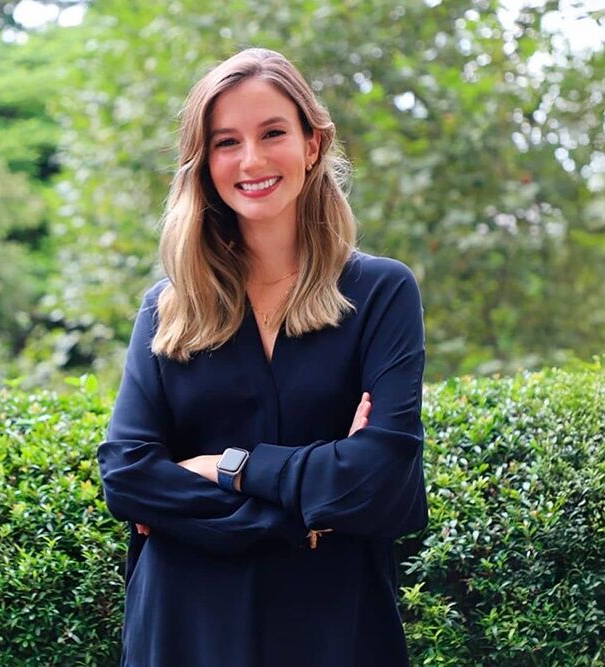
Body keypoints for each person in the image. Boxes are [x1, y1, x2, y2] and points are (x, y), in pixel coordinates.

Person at [97, 47, 427, 667]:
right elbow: (128, 476)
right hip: (186, 627)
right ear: (204, 163)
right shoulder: (168, 307)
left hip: (333, 626)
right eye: (227, 142)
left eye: (273, 133)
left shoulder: (381, 293)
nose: (251, 160)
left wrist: (225, 468)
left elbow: (382, 480)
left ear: (312, 144)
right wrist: (302, 518)